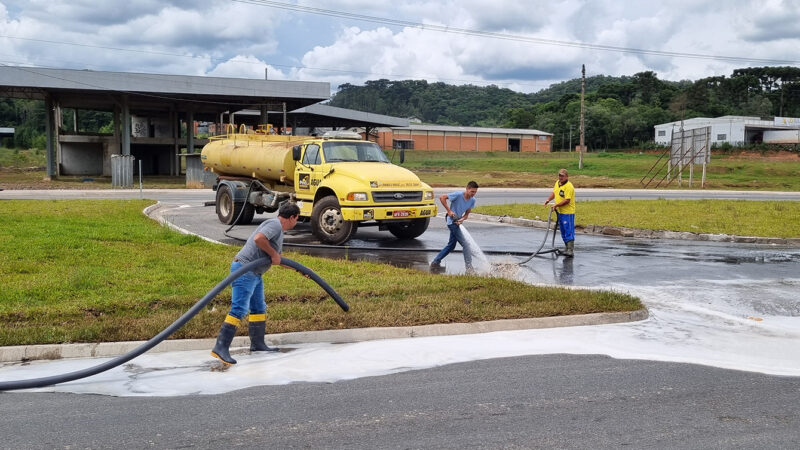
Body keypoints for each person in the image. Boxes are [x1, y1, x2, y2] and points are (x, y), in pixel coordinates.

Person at [211, 202, 301, 365]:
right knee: (239, 308)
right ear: (292, 217)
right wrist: (274, 254)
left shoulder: (276, 228)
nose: (296, 223)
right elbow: (259, 239)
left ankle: (258, 344)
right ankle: (220, 347)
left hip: (255, 272)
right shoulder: (275, 225)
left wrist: (301, 270)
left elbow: (277, 259)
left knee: (259, 307)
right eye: (297, 219)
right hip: (245, 269)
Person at [430, 181, 479, 272]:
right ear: (467, 189)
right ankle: (469, 268)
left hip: (458, 223)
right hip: (451, 222)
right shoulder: (458, 195)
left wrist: (462, 219)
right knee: (466, 244)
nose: (473, 193)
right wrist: (449, 211)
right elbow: (442, 198)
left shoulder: (473, 200)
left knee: (451, 245)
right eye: (472, 191)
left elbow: (467, 214)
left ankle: (435, 262)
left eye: (475, 192)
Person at [544, 168, 576, 257]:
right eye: (559, 175)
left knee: (568, 230)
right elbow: (554, 193)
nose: (560, 177)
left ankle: (570, 250)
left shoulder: (569, 186)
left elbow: (567, 200)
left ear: (567, 176)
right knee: (563, 230)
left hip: (568, 212)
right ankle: (566, 248)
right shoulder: (557, 183)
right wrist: (548, 199)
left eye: (562, 176)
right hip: (560, 212)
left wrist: (556, 205)